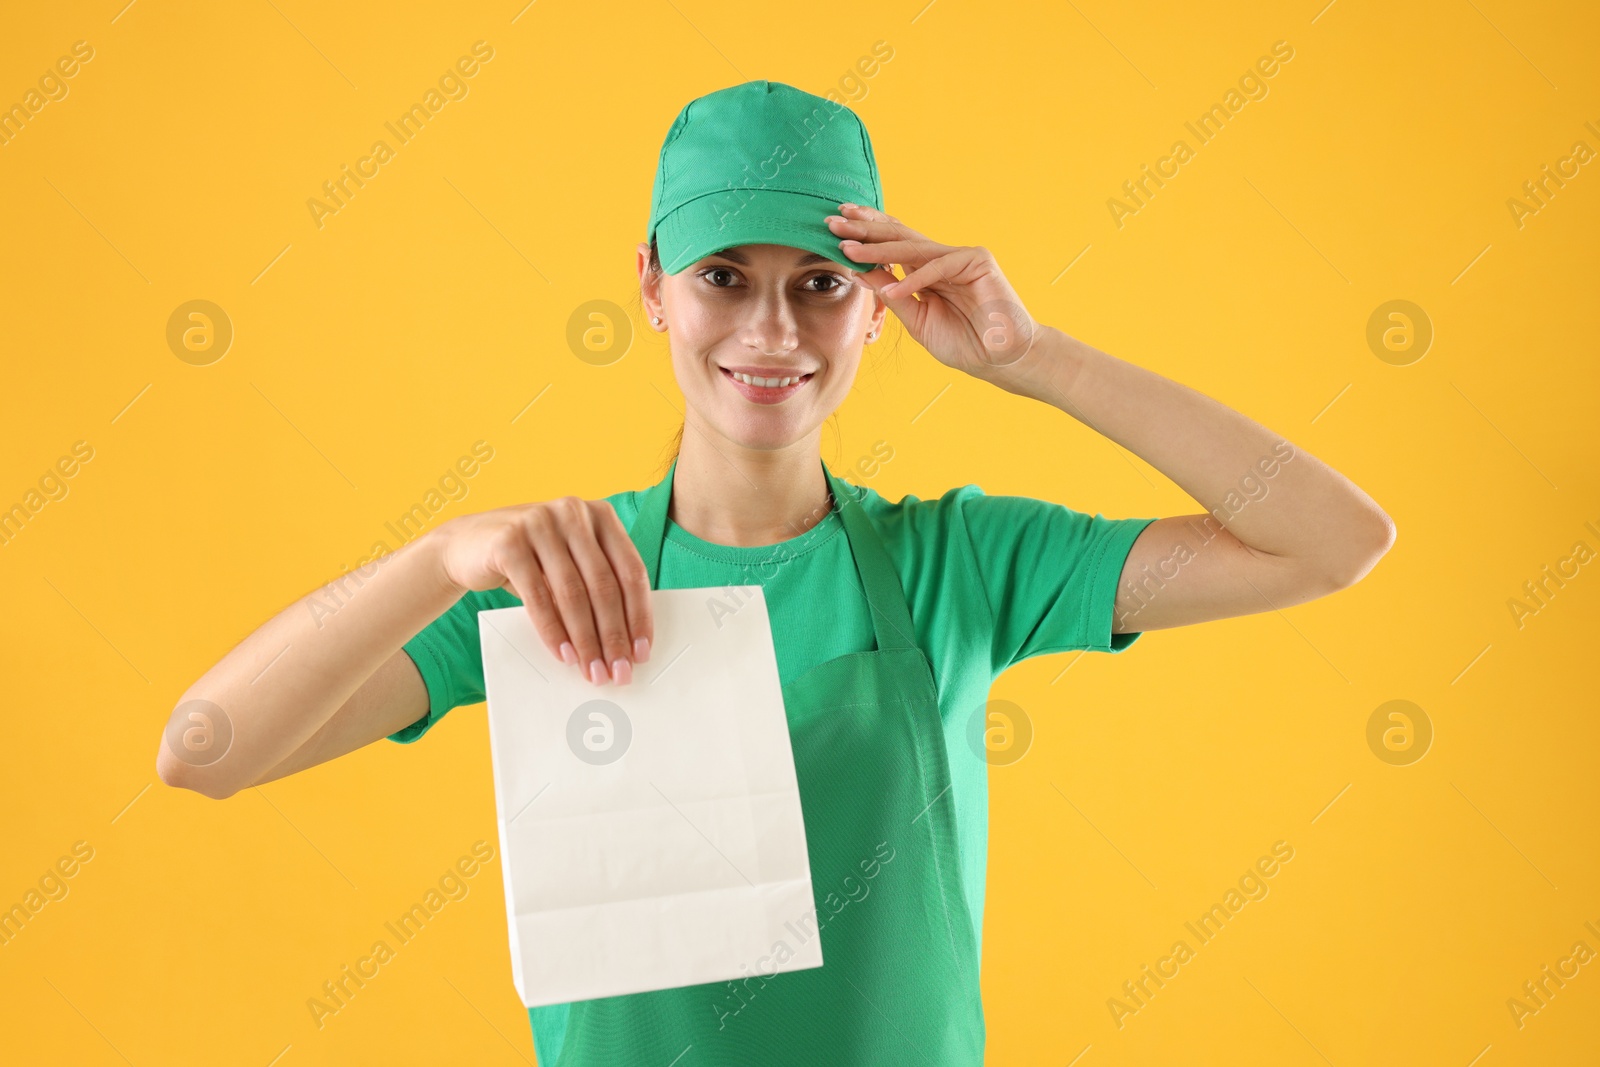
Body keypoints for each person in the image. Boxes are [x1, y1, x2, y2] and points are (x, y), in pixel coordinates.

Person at [158, 80, 1395, 1064]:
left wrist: (1041, 359)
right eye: (722, 279)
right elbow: (205, 749)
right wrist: (440, 557)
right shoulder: (552, 582)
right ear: (649, 287)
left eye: (818, 284)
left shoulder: (959, 561)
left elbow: (1331, 542)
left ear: (876, 306)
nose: (771, 331)